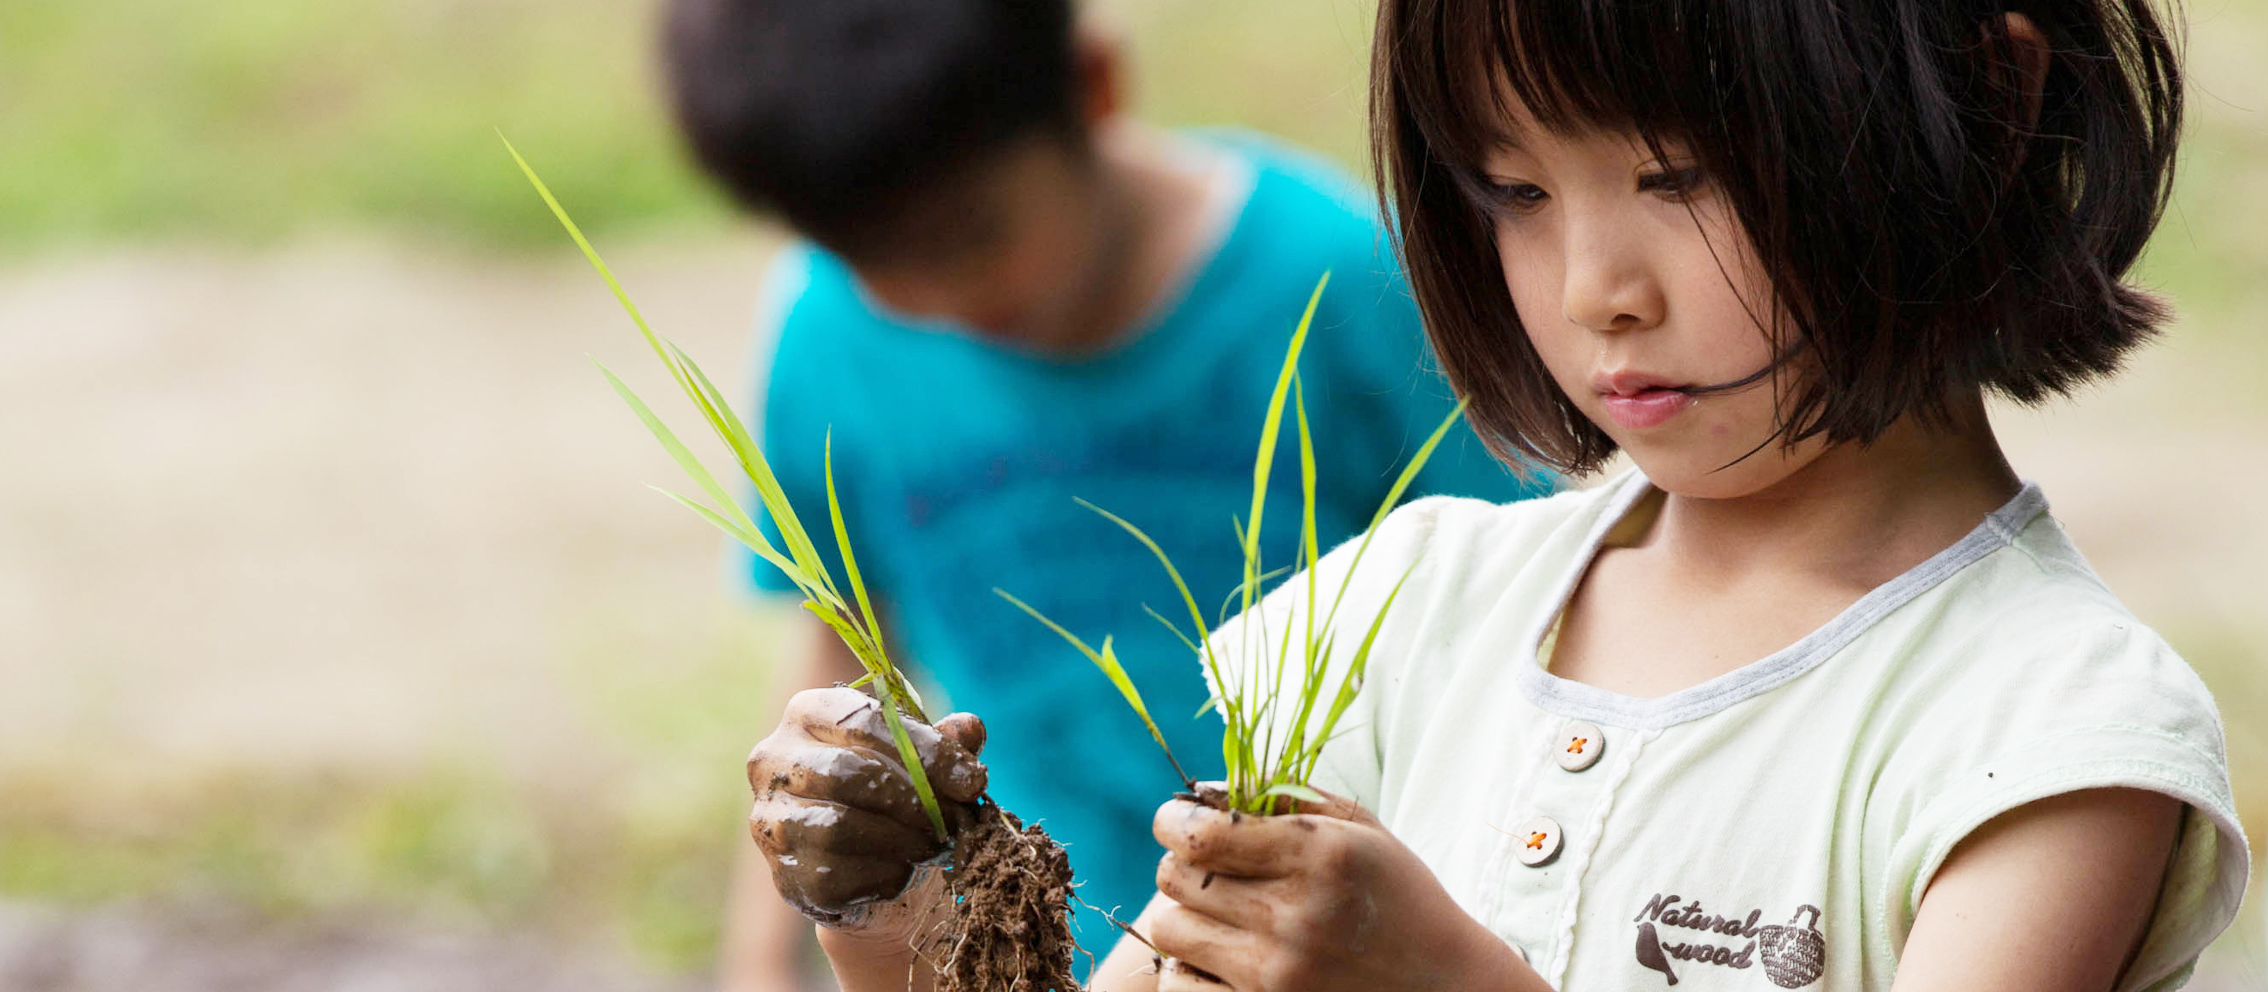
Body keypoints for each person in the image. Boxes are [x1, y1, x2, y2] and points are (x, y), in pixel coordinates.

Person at [736, 0, 2256, 988]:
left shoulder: (2048, 741)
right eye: (1516, 192)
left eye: (1684, 176)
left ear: (1984, 101)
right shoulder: (1403, 612)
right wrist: (894, 896)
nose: (1597, 290)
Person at [657, 0, 1556, 987]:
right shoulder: (827, 341)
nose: (935, 295)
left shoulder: (1344, 282)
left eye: (968, 232)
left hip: (1335, 948)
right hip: (1028, 949)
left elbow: (1528, 615)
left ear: (1093, 85)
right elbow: (839, 666)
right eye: (871, 260)